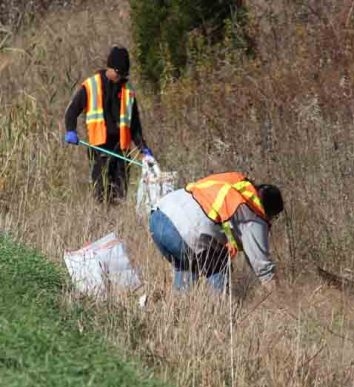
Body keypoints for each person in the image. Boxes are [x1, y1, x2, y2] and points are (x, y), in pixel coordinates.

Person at [149, 171, 284, 293]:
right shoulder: (253, 214)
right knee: (219, 263)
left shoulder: (236, 181)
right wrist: (278, 296)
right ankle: (219, 307)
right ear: (270, 213)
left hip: (158, 216)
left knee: (188, 265)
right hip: (185, 232)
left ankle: (179, 307)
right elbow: (261, 265)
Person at [64, 45, 153, 203]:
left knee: (119, 195)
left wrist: (143, 148)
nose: (122, 78)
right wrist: (71, 130)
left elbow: (134, 126)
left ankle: (116, 224)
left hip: (121, 150)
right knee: (101, 193)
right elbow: (71, 111)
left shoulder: (127, 91)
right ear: (111, 68)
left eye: (124, 74)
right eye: (120, 73)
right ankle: (102, 222)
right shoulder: (91, 86)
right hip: (99, 148)